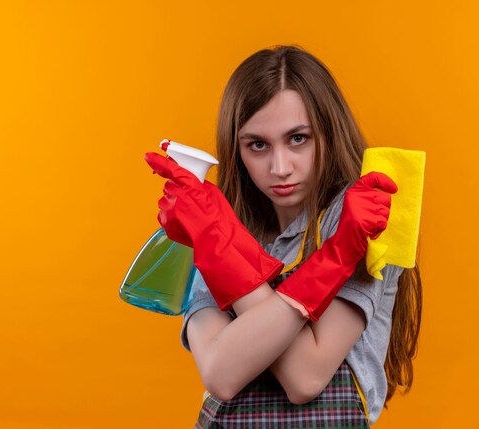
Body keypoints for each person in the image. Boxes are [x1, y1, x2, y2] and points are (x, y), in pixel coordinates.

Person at [145, 45, 422, 428]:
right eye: (257, 145)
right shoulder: (212, 222)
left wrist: (222, 248)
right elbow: (221, 375)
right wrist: (217, 238)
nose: (280, 168)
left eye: (298, 139)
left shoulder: (365, 214)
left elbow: (305, 376)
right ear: (236, 148)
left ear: (328, 129)